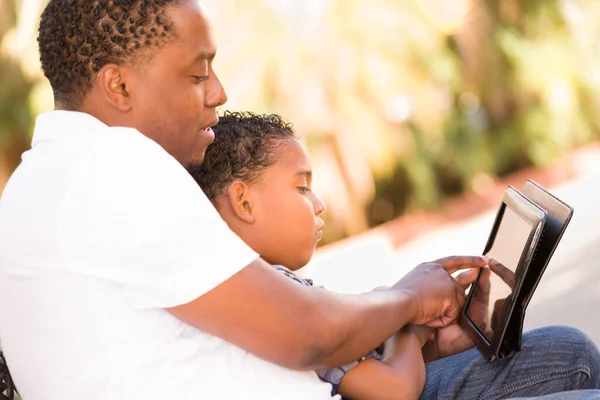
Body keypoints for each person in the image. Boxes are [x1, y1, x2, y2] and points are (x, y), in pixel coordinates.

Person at [0, 1, 597, 399]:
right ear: (119, 84)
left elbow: (271, 324)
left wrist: (410, 322)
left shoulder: (61, 177)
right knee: (575, 372)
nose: (219, 92)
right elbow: (305, 335)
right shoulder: (110, 172)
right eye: (196, 73)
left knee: (565, 350)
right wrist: (408, 299)